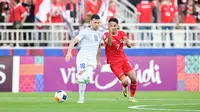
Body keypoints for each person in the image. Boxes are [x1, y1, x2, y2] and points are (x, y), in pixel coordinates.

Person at [65, 14, 103, 104]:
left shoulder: (100, 34)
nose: (97, 24)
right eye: (95, 22)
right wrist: (69, 52)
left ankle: (83, 77)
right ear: (90, 22)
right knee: (83, 76)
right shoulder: (85, 32)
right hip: (83, 56)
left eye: (98, 23)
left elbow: (98, 48)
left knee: (88, 71)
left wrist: (98, 61)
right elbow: (73, 41)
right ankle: (81, 97)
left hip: (92, 57)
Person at [103, 18, 137, 102]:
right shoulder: (106, 34)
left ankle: (132, 98)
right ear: (108, 26)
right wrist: (110, 32)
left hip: (123, 59)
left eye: (114, 26)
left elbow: (129, 46)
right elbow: (109, 43)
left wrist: (127, 42)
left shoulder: (122, 33)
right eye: (111, 26)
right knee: (125, 81)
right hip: (114, 63)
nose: (113, 27)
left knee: (133, 78)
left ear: (117, 26)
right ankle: (124, 86)